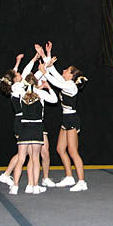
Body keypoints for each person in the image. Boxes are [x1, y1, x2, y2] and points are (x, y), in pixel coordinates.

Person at [38, 43, 89, 192]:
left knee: (73, 151)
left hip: (72, 119)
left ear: (71, 75)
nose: (64, 70)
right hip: (65, 119)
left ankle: (82, 181)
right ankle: (69, 176)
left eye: (67, 70)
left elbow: (54, 81)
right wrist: (46, 55)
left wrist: (44, 71)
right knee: (60, 149)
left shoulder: (71, 86)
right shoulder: (65, 82)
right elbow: (54, 73)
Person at [9, 73, 58, 195]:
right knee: (35, 158)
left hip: (24, 127)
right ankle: (35, 186)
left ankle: (15, 186)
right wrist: (48, 87)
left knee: (21, 159)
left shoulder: (21, 93)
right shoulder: (40, 94)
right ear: (36, 83)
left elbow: (14, 89)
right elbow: (54, 100)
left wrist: (21, 83)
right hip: (37, 128)